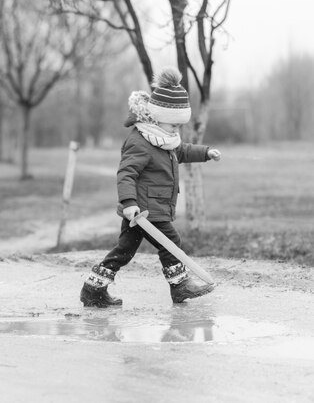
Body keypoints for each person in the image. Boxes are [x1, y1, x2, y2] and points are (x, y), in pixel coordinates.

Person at [80, 67, 222, 307]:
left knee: (123, 251)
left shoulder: (163, 139)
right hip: (144, 211)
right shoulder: (141, 141)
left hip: (148, 211)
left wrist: (206, 152)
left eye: (179, 126)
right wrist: (129, 203)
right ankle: (180, 286)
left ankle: (93, 289)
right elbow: (126, 173)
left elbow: (182, 150)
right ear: (156, 117)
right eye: (173, 125)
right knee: (170, 243)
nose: (176, 130)